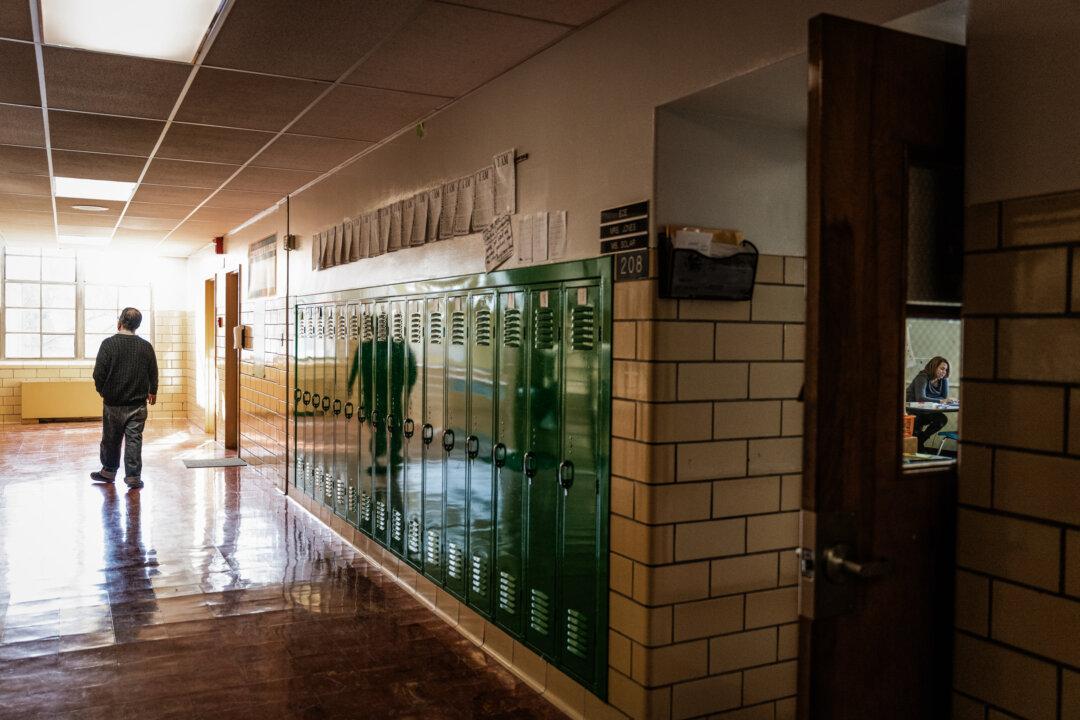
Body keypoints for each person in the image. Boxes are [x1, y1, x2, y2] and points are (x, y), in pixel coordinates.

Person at [90, 307, 158, 489]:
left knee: (110, 439)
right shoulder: (146, 346)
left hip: (113, 403)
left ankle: (108, 472)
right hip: (137, 404)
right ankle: (133, 477)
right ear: (137, 326)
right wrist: (153, 391)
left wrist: (103, 391)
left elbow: (98, 374)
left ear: (119, 323)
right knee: (134, 440)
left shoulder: (108, 344)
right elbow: (153, 372)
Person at [906, 356, 953, 452]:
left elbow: (944, 397)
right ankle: (918, 445)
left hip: (928, 411)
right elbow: (920, 398)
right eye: (942, 368)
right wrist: (939, 401)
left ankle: (920, 440)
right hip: (914, 411)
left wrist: (941, 400)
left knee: (941, 419)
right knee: (917, 421)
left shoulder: (943, 380)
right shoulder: (922, 377)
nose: (944, 372)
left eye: (946, 370)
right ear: (934, 367)